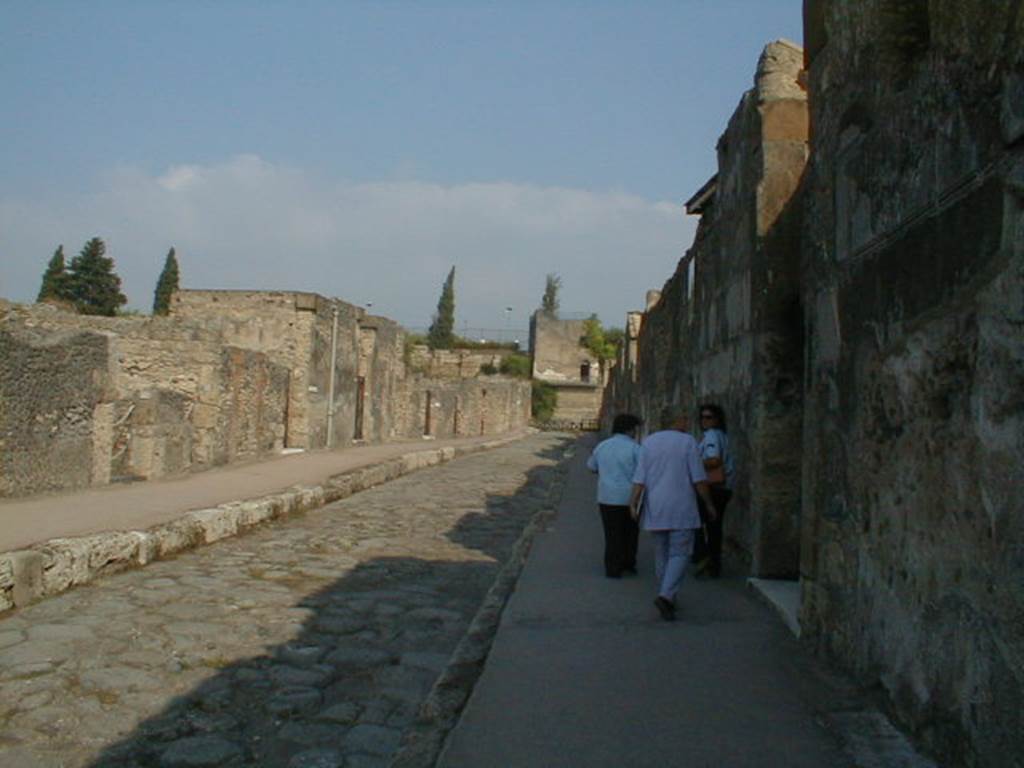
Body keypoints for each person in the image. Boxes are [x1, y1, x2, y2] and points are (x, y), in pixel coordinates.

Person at [629, 408, 717, 621]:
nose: (687, 421)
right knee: (680, 553)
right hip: (681, 505)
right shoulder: (687, 442)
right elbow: (698, 477)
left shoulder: (649, 442)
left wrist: (633, 502)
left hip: (656, 504)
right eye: (684, 417)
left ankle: (667, 593)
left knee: (662, 551)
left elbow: (640, 476)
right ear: (676, 420)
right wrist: (708, 503)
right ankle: (666, 595)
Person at [586, 413, 642, 578]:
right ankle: (628, 563)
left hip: (607, 497)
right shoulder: (635, 448)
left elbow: (591, 466)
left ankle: (612, 567)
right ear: (630, 430)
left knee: (612, 534)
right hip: (630, 498)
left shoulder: (603, 446)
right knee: (630, 532)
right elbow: (643, 472)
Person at [693, 403, 734, 578]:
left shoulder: (711, 436)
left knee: (696, 521)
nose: (704, 420)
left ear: (717, 419)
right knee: (714, 526)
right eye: (702, 417)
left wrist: (692, 463)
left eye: (709, 417)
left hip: (713, 487)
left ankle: (704, 557)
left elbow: (714, 460)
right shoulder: (721, 435)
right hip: (723, 487)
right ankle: (713, 563)